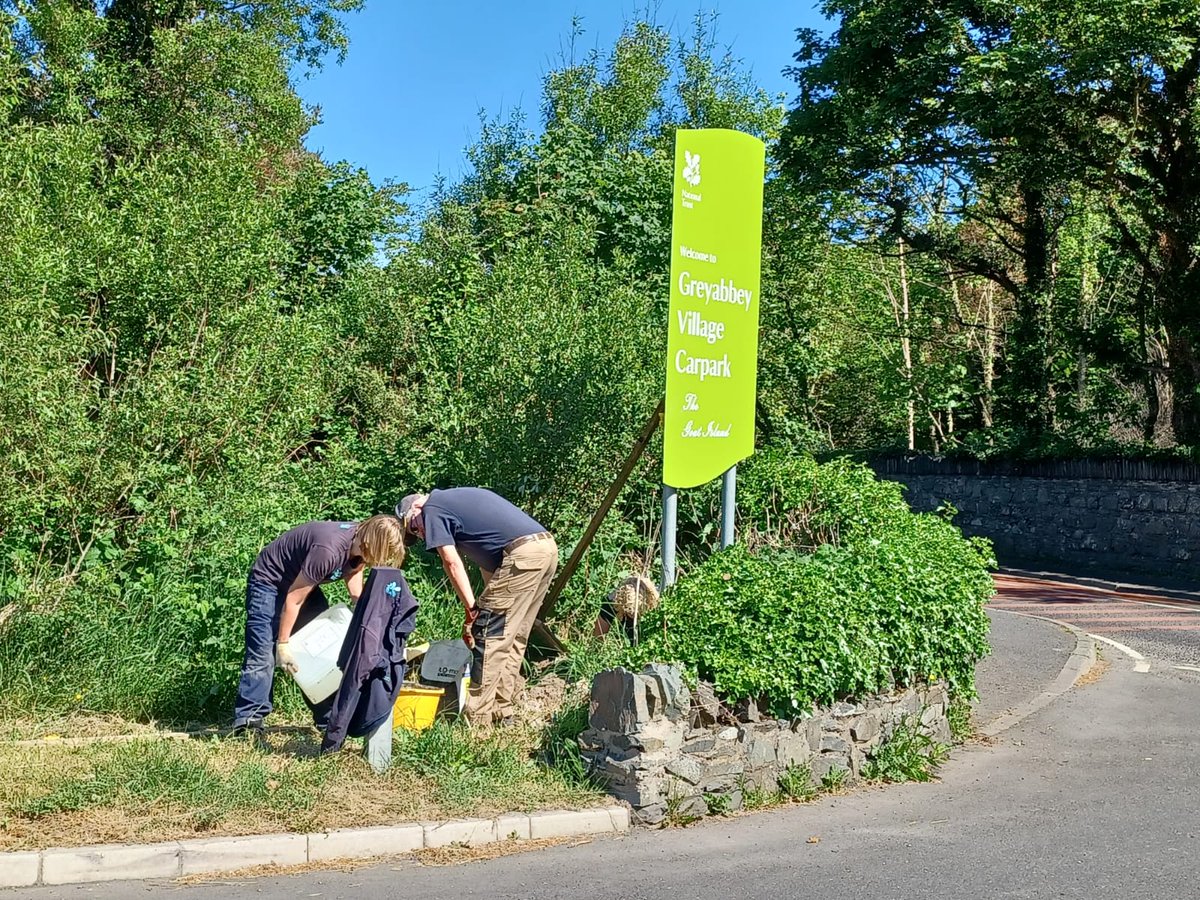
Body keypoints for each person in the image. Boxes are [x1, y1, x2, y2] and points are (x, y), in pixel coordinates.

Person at [231, 514, 406, 737]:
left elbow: (354, 569)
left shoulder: (360, 543)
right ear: (372, 543)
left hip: (302, 585)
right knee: (264, 652)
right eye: (382, 553)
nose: (379, 560)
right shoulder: (329, 550)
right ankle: (249, 721)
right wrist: (283, 644)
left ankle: (328, 719)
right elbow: (293, 598)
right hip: (271, 583)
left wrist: (360, 604)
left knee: (316, 648)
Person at [396, 489, 557, 725]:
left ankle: (478, 719)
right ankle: (503, 712)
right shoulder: (456, 504)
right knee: (512, 635)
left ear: (417, 508)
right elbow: (493, 572)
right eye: (415, 535)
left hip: (523, 556)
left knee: (488, 634)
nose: (421, 534)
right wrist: (481, 609)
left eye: (414, 527)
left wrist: (473, 611)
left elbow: (451, 562)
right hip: (544, 549)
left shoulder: (433, 510)